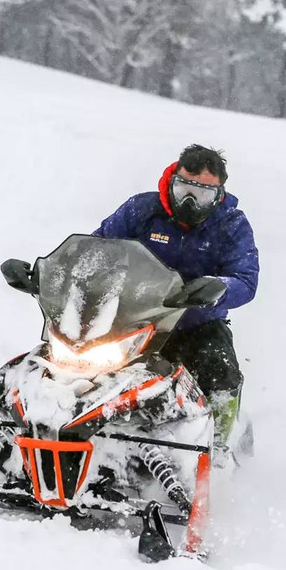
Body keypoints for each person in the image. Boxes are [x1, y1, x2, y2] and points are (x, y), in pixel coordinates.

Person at [93, 144, 259, 463]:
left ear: (219, 194)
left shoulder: (232, 224)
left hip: (199, 322)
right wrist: (51, 274)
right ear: (172, 181)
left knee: (221, 372)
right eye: (184, 188)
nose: (190, 201)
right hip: (135, 320)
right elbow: (98, 247)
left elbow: (246, 278)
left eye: (203, 194)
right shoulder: (141, 210)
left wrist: (219, 288)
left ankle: (220, 449)